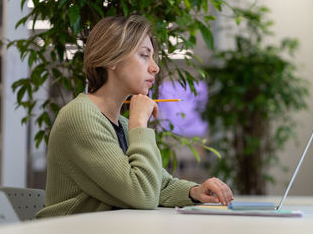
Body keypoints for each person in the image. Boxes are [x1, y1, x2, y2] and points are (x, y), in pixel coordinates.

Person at [36, 15, 233, 218]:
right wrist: (139, 124)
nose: (154, 67)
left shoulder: (119, 122)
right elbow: (143, 194)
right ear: (111, 59)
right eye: (144, 55)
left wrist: (194, 192)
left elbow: (158, 184)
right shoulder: (80, 116)